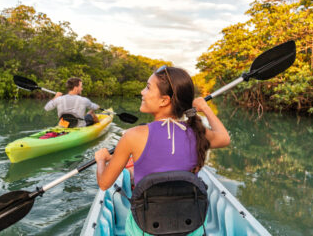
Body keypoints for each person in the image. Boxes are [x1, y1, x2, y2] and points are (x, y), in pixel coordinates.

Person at [94, 65, 231, 235]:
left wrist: (101, 159)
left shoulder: (132, 136)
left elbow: (104, 183)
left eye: (148, 87)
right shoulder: (197, 133)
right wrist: (205, 108)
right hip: (189, 228)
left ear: (164, 100)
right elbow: (224, 138)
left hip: (146, 229)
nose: (142, 92)